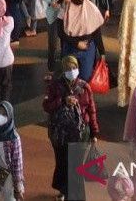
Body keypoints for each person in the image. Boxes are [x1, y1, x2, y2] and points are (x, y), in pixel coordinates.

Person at [43, 55, 99, 201]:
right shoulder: (55, 86)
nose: (71, 71)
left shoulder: (84, 87)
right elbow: (47, 106)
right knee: (62, 163)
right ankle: (63, 189)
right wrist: (62, 101)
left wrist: (94, 131)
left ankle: (73, 195)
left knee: (75, 167)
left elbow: (91, 110)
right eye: (68, 69)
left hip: (80, 134)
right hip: (60, 134)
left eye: (74, 68)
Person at [60, 0, 104, 81]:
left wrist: (102, 52)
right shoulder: (64, 10)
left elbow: (96, 32)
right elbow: (61, 32)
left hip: (87, 48)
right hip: (70, 47)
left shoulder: (91, 9)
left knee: (86, 77)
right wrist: (76, 43)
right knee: (69, 77)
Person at [41, 0, 73, 73]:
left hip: (67, 14)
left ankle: (66, 68)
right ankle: (51, 68)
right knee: (52, 42)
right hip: (53, 14)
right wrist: (51, 1)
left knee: (66, 41)